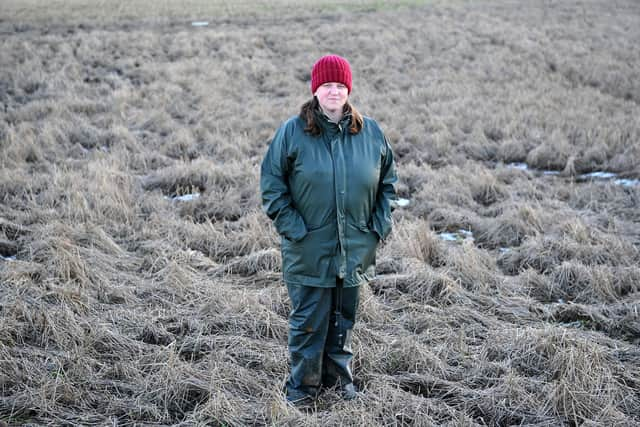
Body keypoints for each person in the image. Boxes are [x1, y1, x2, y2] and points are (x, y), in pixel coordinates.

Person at [260, 54, 398, 405]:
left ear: (348, 89)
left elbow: (388, 184)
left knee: (343, 321)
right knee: (309, 323)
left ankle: (339, 384)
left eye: (340, 85)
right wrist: (296, 230)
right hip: (309, 250)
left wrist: (376, 229)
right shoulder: (293, 133)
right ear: (316, 90)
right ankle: (302, 391)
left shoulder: (371, 133)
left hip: (354, 249)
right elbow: (272, 185)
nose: (334, 92)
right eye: (327, 86)